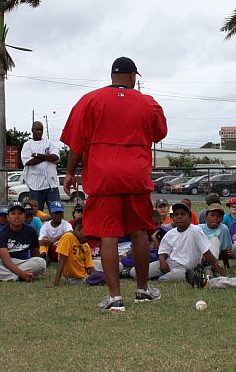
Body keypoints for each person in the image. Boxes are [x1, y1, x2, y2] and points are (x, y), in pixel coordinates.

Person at [61, 56, 168, 311]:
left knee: (108, 235)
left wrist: (69, 172)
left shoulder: (89, 100)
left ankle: (115, 298)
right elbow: (159, 133)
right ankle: (142, 290)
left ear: (112, 75)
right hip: (136, 174)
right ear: (133, 77)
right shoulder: (148, 103)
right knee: (139, 232)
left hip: (103, 176)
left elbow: (78, 143)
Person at [131, 203, 225, 285]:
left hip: (186, 269)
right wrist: (162, 261)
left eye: (183, 214)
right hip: (169, 264)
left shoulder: (196, 230)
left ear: (190, 218)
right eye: (176, 214)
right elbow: (162, 252)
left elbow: (206, 252)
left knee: (175, 277)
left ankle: (158, 278)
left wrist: (217, 267)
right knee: (134, 272)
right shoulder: (170, 234)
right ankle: (157, 275)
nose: (179, 216)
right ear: (172, 218)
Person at [0, 202, 47, 282]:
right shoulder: (1, 233)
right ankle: (14, 277)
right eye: (13, 213)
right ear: (8, 217)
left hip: (21, 262)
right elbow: (6, 261)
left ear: (24, 217)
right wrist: (22, 274)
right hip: (2, 261)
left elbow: (34, 253)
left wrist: (38, 266)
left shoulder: (31, 231)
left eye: (20, 213)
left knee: (41, 263)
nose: (16, 216)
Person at [21, 121, 61, 213]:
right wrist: (47, 156)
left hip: (51, 185)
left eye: (41, 130)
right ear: (32, 130)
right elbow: (28, 162)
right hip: (36, 186)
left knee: (56, 212)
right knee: (36, 214)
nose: (39, 132)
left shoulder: (48, 142)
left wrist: (38, 155)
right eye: (37, 129)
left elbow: (56, 157)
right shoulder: (27, 145)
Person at [52, 218, 98, 286]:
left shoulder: (85, 245)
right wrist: (55, 285)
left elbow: (90, 267)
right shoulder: (68, 237)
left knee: (116, 265)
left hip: (85, 275)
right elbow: (61, 262)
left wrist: (96, 275)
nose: (89, 237)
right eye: (87, 233)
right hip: (76, 278)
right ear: (79, 228)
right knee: (103, 276)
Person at [198, 203, 232, 267]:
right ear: (206, 217)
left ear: (222, 219)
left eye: (219, 216)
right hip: (199, 256)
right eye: (212, 215)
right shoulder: (199, 228)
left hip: (213, 257)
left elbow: (223, 250)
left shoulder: (223, 228)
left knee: (214, 240)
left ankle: (210, 266)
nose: (215, 218)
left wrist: (226, 265)